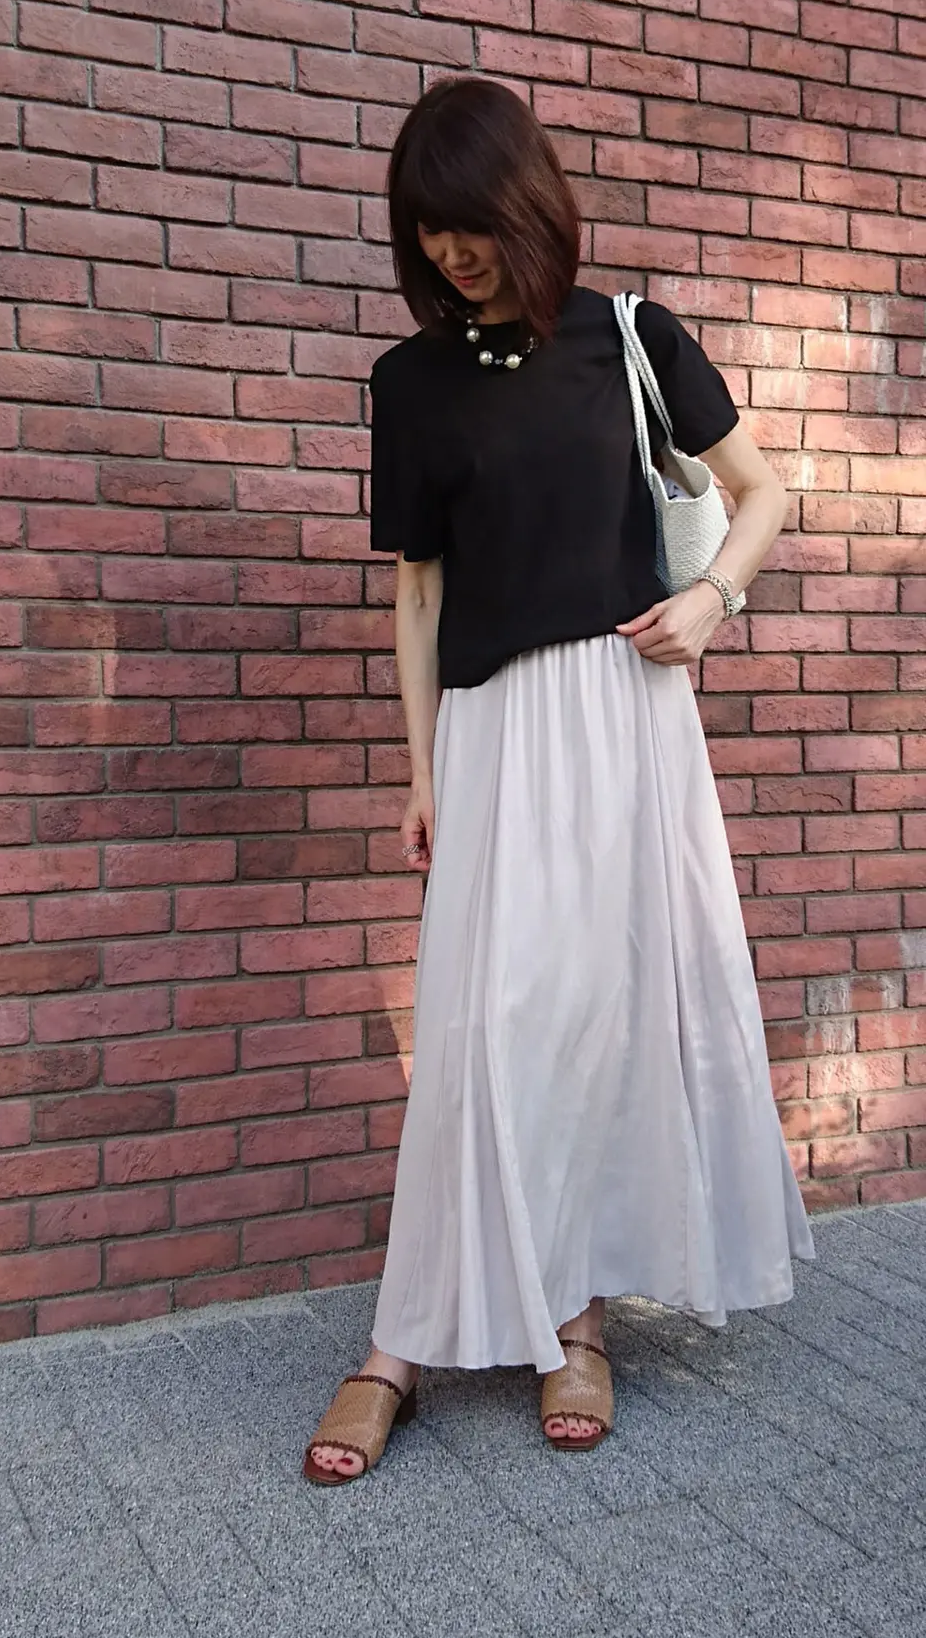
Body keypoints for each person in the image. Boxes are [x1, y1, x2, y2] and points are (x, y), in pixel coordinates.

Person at [302, 75, 815, 1485]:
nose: (451, 251)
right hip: (491, 730)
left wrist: (712, 600)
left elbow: (764, 491)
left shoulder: (630, 337)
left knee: (602, 1011)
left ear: (525, 205)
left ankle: (574, 1318)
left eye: (469, 221)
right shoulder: (409, 384)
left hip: (627, 715)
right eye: (427, 228)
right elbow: (418, 595)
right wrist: (422, 774)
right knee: (482, 1022)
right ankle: (401, 1343)